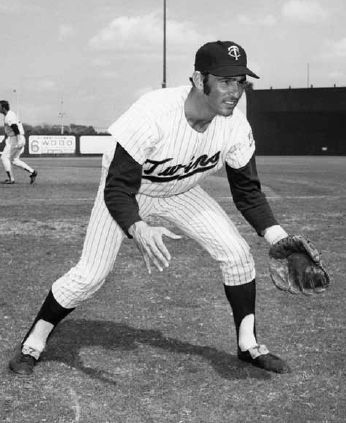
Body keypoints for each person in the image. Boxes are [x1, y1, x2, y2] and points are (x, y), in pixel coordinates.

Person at [9, 40, 292, 376]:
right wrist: (138, 227)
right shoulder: (152, 114)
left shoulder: (235, 125)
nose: (235, 91)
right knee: (90, 275)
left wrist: (279, 238)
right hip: (129, 192)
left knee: (238, 255)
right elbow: (117, 188)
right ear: (199, 79)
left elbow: (248, 192)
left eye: (241, 82)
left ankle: (249, 345)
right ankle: (33, 344)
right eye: (226, 81)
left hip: (181, 192)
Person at [0, 100, 38, 184]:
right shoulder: (11, 113)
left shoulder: (8, 117)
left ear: (3, 107)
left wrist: (18, 140)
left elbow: (15, 127)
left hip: (15, 138)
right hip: (17, 138)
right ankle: (32, 172)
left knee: (4, 157)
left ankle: (11, 179)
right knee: (14, 160)